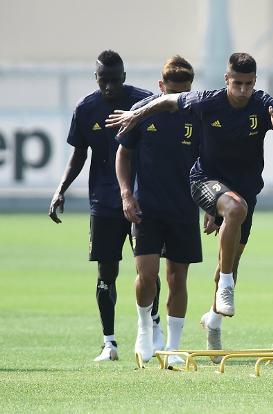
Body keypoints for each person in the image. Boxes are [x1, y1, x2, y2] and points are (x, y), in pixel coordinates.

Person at [106, 52, 273, 362]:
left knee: (230, 258)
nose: (242, 91)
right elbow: (167, 102)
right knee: (233, 214)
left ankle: (213, 319)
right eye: (237, 83)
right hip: (203, 182)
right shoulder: (208, 101)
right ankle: (218, 292)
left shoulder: (263, 105)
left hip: (244, 192)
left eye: (248, 84)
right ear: (226, 79)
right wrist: (135, 115)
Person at [48, 50, 164, 362]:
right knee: (106, 272)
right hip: (103, 203)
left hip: (142, 199)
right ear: (96, 78)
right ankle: (109, 343)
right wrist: (60, 190)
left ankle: (154, 330)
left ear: (124, 77)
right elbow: (78, 156)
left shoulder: (144, 102)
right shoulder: (86, 108)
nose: (110, 86)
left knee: (148, 270)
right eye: (104, 80)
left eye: (115, 80)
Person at [115, 55, 202, 365]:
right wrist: (126, 194)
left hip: (184, 208)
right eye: (173, 91)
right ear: (161, 85)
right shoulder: (142, 112)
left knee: (178, 278)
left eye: (185, 91)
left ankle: (174, 346)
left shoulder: (198, 114)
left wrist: (210, 206)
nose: (178, 98)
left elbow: (210, 163)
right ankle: (144, 330)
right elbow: (123, 155)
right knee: (147, 275)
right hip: (147, 207)